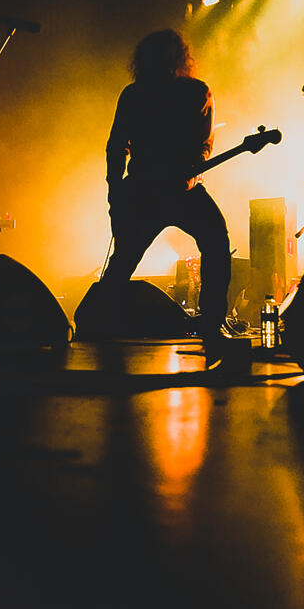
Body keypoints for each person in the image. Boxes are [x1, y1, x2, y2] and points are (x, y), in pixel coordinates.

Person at [100, 29, 233, 366]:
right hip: (173, 189)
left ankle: (100, 320)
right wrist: (117, 189)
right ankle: (212, 323)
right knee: (215, 241)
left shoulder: (136, 94)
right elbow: (204, 144)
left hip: (149, 189)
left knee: (125, 258)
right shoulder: (193, 91)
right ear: (180, 57)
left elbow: (118, 146)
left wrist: (116, 190)